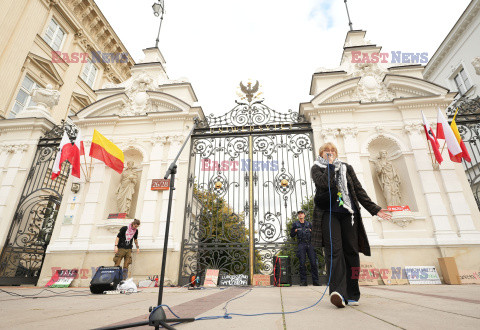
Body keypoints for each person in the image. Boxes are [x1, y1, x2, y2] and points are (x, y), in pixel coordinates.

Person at [311, 142, 391, 308]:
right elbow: (323, 184)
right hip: (329, 215)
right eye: (326, 150)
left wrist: (375, 209)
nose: (330, 152)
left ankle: (353, 293)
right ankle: (338, 292)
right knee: (335, 251)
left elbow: (358, 190)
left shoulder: (347, 168)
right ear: (321, 153)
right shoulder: (317, 168)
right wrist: (331, 167)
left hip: (349, 215)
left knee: (352, 252)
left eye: (333, 150)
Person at [290, 210, 320, 286]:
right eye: (299, 214)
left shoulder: (309, 224)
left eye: (302, 214)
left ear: (304, 215)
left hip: (310, 244)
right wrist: (295, 231)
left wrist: (311, 231)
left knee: (313, 262)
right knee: (302, 263)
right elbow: (292, 235)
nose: (300, 215)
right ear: (298, 216)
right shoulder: (295, 224)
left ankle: (315, 281)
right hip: (301, 244)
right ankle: (303, 281)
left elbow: (315, 233)